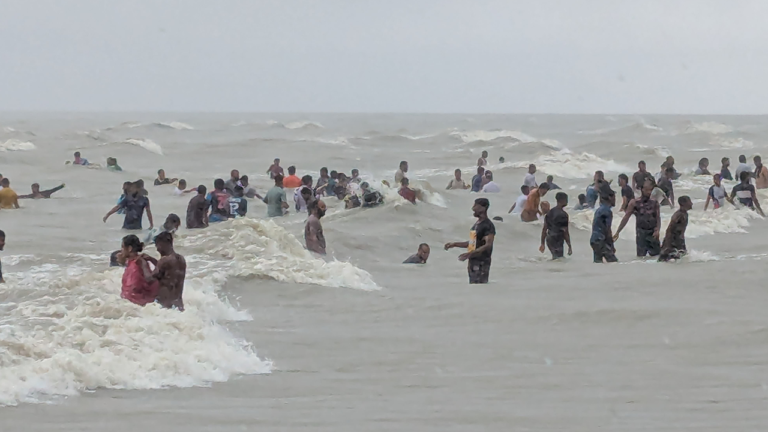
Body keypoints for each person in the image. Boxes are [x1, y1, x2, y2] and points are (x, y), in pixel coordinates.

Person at [444, 198, 495, 284]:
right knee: (473, 287)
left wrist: (470, 254)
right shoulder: (477, 224)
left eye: (475, 206)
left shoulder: (488, 225)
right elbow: (473, 243)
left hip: (482, 262)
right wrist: (455, 244)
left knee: (480, 287)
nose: (473, 209)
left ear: (483, 208)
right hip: (473, 261)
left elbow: (488, 245)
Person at [614, 180, 661, 258]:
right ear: (642, 189)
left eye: (651, 190)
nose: (649, 192)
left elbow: (658, 218)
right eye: (647, 190)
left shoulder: (654, 203)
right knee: (641, 258)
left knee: (657, 257)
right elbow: (626, 218)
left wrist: (657, 230)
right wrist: (618, 232)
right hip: (641, 234)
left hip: (653, 234)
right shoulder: (634, 203)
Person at [144, 231, 186, 311]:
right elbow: (167, 271)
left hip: (166, 307)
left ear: (163, 243)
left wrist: (143, 265)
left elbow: (149, 279)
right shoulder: (181, 259)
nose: (157, 249)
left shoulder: (164, 261)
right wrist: (152, 260)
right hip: (179, 305)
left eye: (157, 245)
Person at [119, 235, 159, 306]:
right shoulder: (131, 262)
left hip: (137, 304)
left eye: (122, 247)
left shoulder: (138, 263)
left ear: (129, 248)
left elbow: (133, 289)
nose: (121, 250)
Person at [658, 196, 692, 262]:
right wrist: (667, 244)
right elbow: (669, 229)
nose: (692, 203)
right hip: (672, 241)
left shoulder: (685, 214)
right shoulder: (678, 215)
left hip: (679, 240)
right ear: (683, 203)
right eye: (690, 202)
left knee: (680, 259)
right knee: (667, 259)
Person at [590, 182, 618, 263]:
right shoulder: (607, 211)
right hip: (600, 240)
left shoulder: (599, 209)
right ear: (609, 198)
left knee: (598, 262)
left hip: (594, 240)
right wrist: (611, 246)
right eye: (614, 197)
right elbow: (607, 230)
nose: (615, 200)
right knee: (613, 262)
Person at [539, 192, 572, 259]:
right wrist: (569, 246)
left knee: (555, 257)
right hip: (557, 239)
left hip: (549, 239)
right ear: (562, 200)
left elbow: (544, 229)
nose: (567, 202)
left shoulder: (550, 212)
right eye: (566, 200)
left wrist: (542, 243)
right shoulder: (563, 215)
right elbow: (565, 231)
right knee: (559, 258)